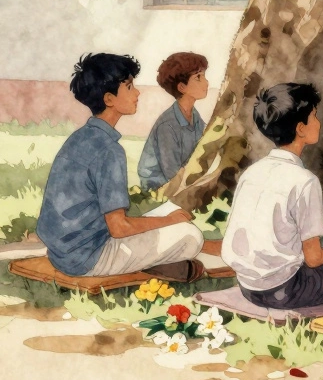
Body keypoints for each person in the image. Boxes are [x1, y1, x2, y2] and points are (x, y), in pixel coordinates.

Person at [37, 53, 207, 282]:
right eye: (129, 87)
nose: (137, 93)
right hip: (89, 258)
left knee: (170, 209)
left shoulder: (81, 137)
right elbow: (119, 227)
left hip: (61, 252)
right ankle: (149, 266)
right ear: (109, 99)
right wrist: (170, 221)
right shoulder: (109, 150)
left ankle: (150, 265)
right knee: (191, 235)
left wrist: (169, 218)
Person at [221, 83, 323, 309]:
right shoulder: (304, 180)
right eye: (315, 116)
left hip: (248, 288)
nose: (319, 122)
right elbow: (314, 258)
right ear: (300, 128)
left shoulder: (252, 173)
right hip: (286, 291)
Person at [137, 52, 209, 193]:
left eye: (204, 76)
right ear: (182, 87)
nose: (206, 83)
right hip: (157, 190)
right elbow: (172, 173)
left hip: (181, 184)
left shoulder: (195, 116)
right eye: (198, 77)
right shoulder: (168, 125)